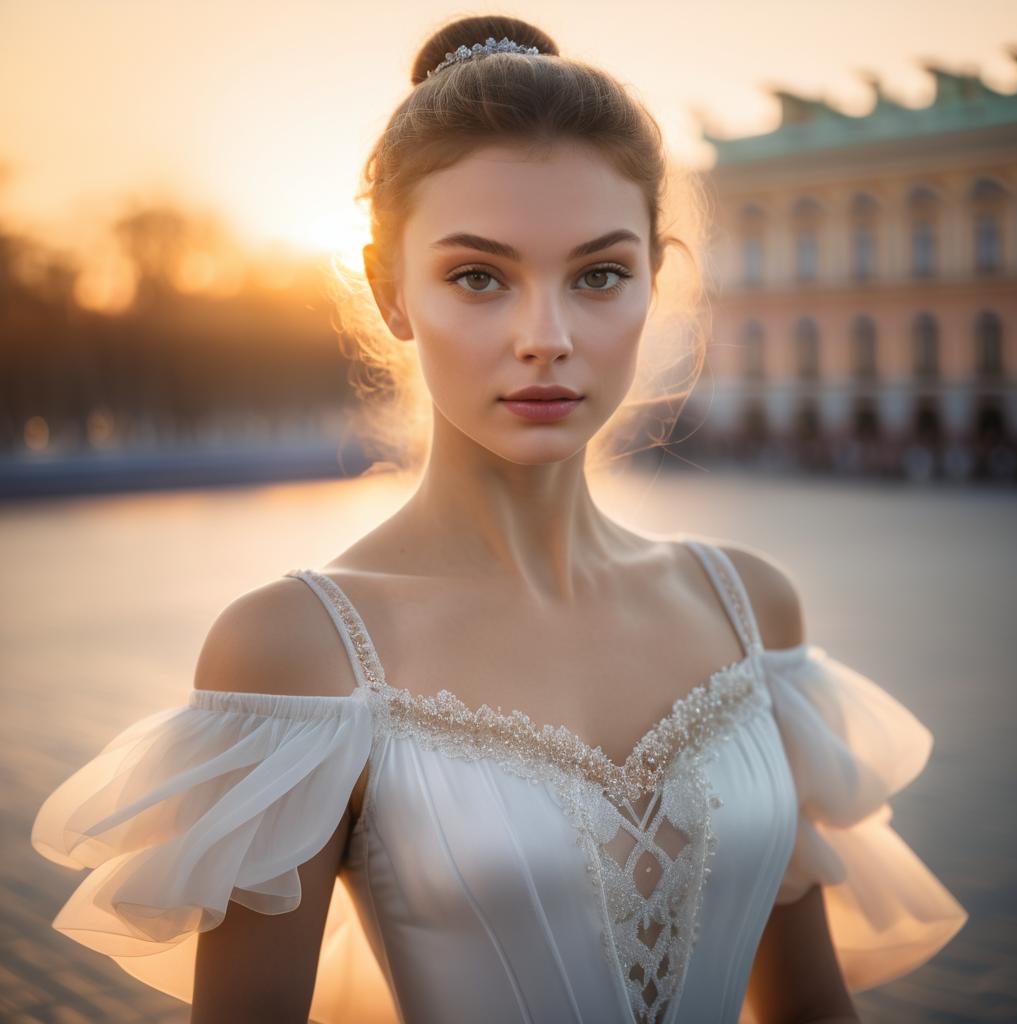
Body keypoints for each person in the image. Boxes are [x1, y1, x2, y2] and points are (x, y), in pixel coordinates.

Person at [31, 14, 968, 1024]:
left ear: (656, 277)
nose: (546, 338)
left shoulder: (752, 611)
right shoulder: (297, 651)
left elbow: (811, 1010)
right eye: (477, 276)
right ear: (392, 290)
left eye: (598, 274)